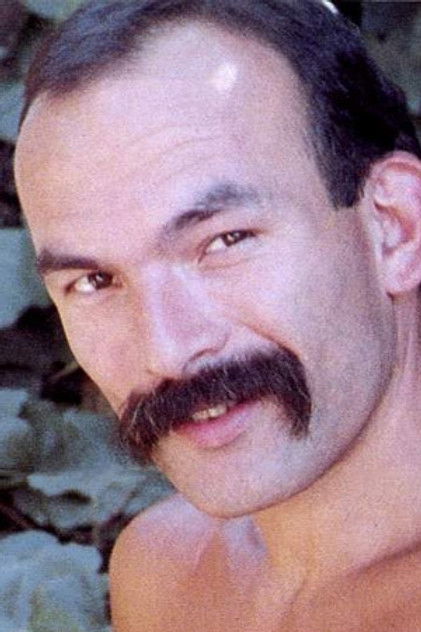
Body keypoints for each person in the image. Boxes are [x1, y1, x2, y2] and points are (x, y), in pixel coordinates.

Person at [14, 0, 421, 629]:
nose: (168, 352)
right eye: (95, 281)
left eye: (225, 241)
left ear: (395, 227)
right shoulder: (164, 574)